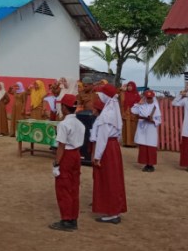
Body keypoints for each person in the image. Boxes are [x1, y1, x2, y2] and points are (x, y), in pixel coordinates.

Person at [91, 85, 127, 224]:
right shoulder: (113, 110)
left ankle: (112, 212)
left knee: (108, 180)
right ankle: (114, 209)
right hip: (113, 147)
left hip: (106, 149)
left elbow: (102, 137)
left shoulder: (106, 114)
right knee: (114, 179)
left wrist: (97, 156)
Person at [49, 94, 85, 232]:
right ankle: (73, 218)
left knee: (63, 188)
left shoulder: (64, 124)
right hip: (76, 154)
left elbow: (61, 146)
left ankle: (66, 219)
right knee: (74, 187)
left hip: (67, 156)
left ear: (64, 107)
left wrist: (57, 163)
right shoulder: (80, 123)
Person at [131, 90, 162, 172]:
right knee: (143, 145)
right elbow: (133, 110)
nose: (149, 100)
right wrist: (139, 104)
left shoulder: (156, 107)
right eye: (147, 98)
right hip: (142, 128)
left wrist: (153, 121)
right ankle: (145, 164)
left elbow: (159, 120)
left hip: (151, 128)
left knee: (151, 145)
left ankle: (151, 165)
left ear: (153, 98)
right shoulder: (142, 106)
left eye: (150, 98)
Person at [120, 81, 141, 147]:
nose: (129, 87)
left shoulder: (136, 94)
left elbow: (139, 104)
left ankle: (132, 143)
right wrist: (122, 89)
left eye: (131, 86)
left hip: (133, 114)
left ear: (134, 87)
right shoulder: (124, 93)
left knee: (133, 128)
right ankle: (125, 143)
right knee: (125, 128)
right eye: (128, 86)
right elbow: (121, 100)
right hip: (126, 113)